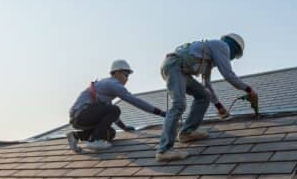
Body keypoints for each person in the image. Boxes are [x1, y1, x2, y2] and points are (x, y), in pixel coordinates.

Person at [156, 33, 257, 162]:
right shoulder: (222, 46)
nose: (231, 58)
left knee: (203, 96)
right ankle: (164, 150)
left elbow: (207, 85)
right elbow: (228, 74)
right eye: (235, 55)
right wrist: (250, 90)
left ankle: (187, 133)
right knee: (178, 105)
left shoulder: (208, 57)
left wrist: (219, 107)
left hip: (180, 69)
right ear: (234, 48)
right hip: (175, 66)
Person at [68, 59, 166, 152]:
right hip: (80, 115)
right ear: (117, 72)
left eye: (128, 77)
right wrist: (160, 113)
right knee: (115, 109)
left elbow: (107, 110)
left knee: (110, 133)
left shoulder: (105, 86)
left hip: (81, 117)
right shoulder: (113, 84)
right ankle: (94, 140)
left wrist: (124, 127)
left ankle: (76, 136)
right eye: (125, 75)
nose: (127, 79)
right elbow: (135, 101)